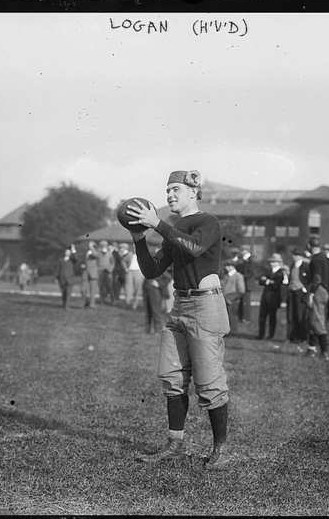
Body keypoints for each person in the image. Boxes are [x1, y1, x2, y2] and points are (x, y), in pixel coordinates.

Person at [125, 169, 231, 470]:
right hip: (181, 305)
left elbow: (195, 247)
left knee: (210, 383)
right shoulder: (174, 228)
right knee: (172, 378)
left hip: (206, 305)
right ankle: (175, 444)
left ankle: (220, 449)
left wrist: (157, 224)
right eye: (167, 190)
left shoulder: (207, 222)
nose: (169, 195)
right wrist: (139, 240)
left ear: (193, 193)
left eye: (175, 189)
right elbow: (152, 270)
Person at [257, 253, 288, 341]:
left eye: (274, 262)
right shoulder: (268, 271)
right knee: (262, 317)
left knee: (272, 317)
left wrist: (267, 281)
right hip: (265, 297)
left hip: (274, 298)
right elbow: (260, 281)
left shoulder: (281, 273)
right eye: (271, 262)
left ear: (278, 263)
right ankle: (261, 334)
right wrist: (269, 281)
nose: (271, 263)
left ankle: (271, 335)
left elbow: (277, 285)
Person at [286, 248, 311, 346]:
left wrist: (305, 289)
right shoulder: (292, 265)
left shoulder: (306, 266)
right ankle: (292, 337)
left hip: (301, 292)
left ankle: (302, 337)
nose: (294, 257)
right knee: (291, 315)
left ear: (300, 256)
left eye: (296, 255)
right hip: (292, 291)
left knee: (300, 315)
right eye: (293, 255)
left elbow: (309, 280)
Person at [306, 274, 329, 359]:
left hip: (316, 313)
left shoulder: (317, 290)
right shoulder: (320, 290)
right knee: (314, 330)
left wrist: (311, 298)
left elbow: (310, 303)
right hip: (318, 312)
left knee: (320, 331)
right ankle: (311, 349)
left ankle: (324, 352)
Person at [221, 260, 245, 336]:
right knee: (226, 317)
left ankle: (233, 332)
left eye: (227, 266)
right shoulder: (226, 276)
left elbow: (241, 290)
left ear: (232, 267)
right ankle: (227, 332)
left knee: (233, 316)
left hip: (233, 300)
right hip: (224, 299)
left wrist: (230, 299)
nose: (226, 268)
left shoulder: (238, 276)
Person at [235, 247, 255, 323]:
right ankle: (241, 317)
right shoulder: (244, 261)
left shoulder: (250, 261)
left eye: (244, 253)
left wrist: (242, 276)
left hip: (247, 284)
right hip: (243, 284)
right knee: (242, 301)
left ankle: (246, 318)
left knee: (246, 302)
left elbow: (250, 273)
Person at [122, 244, 144, 310]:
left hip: (138, 272)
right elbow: (123, 261)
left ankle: (135, 305)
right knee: (128, 288)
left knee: (137, 289)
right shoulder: (129, 254)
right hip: (130, 272)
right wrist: (125, 268)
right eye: (134, 247)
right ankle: (127, 303)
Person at [55, 245, 77, 309]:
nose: (67, 253)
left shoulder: (72, 260)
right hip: (62, 279)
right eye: (66, 252)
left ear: (70, 253)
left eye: (68, 252)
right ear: (64, 252)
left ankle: (67, 306)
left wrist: (73, 250)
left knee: (68, 293)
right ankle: (64, 304)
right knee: (64, 293)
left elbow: (76, 258)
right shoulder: (60, 260)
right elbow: (57, 269)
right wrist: (56, 278)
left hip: (70, 279)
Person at [97, 240, 115, 305]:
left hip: (108, 272)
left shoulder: (110, 253)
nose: (103, 246)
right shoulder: (98, 253)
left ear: (107, 246)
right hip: (100, 272)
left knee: (110, 287)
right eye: (102, 245)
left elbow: (113, 263)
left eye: (105, 245)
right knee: (101, 287)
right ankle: (102, 300)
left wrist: (110, 269)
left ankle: (112, 300)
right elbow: (96, 262)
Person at [83, 241, 99, 308]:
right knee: (83, 289)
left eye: (91, 245)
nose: (89, 246)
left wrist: (92, 247)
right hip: (85, 272)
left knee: (93, 290)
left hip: (93, 273)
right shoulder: (87, 252)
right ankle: (86, 302)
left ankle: (92, 304)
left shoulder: (97, 252)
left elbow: (96, 255)